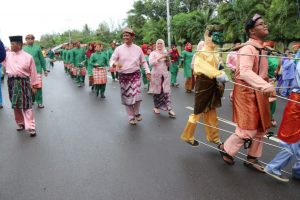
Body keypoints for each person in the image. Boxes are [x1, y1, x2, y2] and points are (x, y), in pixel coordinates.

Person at [219, 14, 275, 172]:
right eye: (261, 24)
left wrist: (267, 81)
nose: (265, 26)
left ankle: (252, 158)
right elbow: (244, 72)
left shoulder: (262, 48)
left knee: (261, 127)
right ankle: (226, 148)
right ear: (251, 31)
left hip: (259, 90)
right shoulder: (247, 48)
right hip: (246, 92)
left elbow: (259, 72)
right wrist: (265, 85)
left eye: (265, 23)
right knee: (248, 129)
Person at [180, 24, 227, 147]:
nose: (219, 38)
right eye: (217, 35)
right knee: (198, 112)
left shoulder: (215, 53)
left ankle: (214, 138)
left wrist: (221, 72)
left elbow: (218, 67)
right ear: (209, 36)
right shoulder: (202, 52)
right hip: (203, 85)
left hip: (213, 85)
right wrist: (217, 74)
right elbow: (200, 67)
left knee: (212, 112)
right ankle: (188, 135)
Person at [264, 61, 300, 182]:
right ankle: (273, 167)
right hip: (297, 104)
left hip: (296, 101)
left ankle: (298, 170)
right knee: (290, 142)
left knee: (295, 142)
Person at [110, 27, 151, 125]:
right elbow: (112, 60)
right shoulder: (118, 49)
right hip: (123, 76)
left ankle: (136, 113)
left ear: (132, 36)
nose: (125, 37)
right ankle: (131, 117)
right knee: (127, 97)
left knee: (137, 95)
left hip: (135, 74)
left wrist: (148, 72)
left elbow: (144, 62)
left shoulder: (138, 48)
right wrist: (114, 64)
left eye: (127, 35)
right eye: (124, 35)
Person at [2, 35, 38, 137]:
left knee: (27, 105)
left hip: (24, 83)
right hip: (12, 82)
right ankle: (20, 123)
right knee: (16, 105)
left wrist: (34, 85)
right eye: (11, 44)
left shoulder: (28, 57)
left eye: (12, 44)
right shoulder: (7, 55)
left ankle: (31, 127)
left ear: (19, 44)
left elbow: (33, 72)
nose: (11, 46)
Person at [148, 39, 176, 118]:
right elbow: (151, 63)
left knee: (166, 92)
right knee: (157, 92)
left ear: (163, 44)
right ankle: (156, 107)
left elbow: (169, 65)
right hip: (156, 76)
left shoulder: (165, 53)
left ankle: (169, 109)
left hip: (165, 75)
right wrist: (160, 57)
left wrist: (167, 59)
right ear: (156, 44)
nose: (160, 45)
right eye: (158, 44)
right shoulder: (153, 53)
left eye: (161, 44)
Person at [23, 34, 47, 108]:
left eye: (31, 39)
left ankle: (39, 101)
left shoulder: (37, 48)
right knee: (29, 86)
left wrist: (45, 69)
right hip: (27, 71)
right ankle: (32, 100)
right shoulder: (24, 49)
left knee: (38, 86)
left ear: (34, 40)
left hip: (37, 70)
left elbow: (42, 59)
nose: (30, 40)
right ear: (26, 40)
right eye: (28, 39)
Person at [264, 41, 281, 127]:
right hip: (268, 81)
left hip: (266, 81)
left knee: (269, 100)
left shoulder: (265, 58)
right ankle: (269, 118)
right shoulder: (274, 58)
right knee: (270, 100)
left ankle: (269, 118)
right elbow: (278, 68)